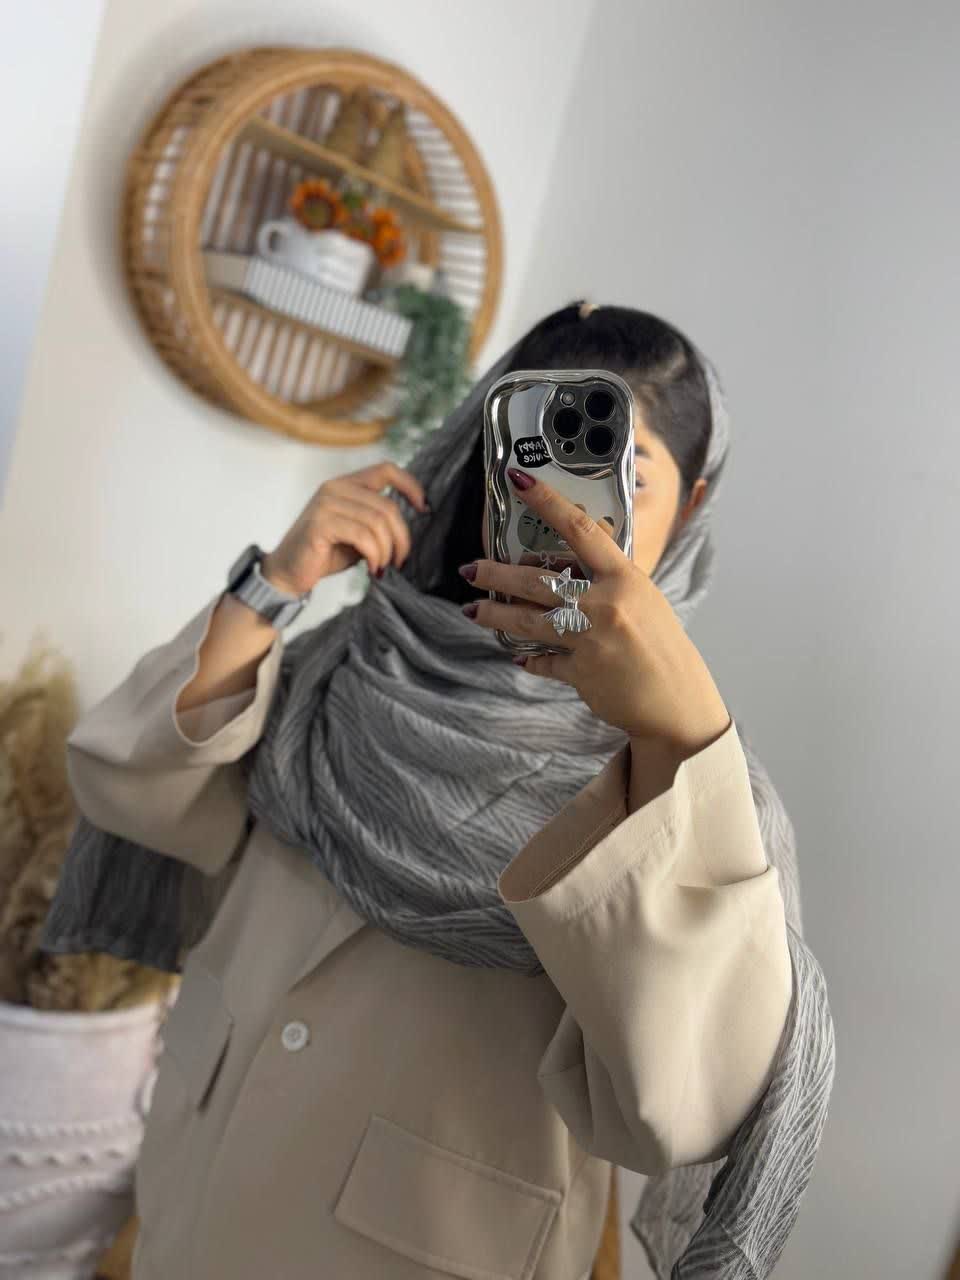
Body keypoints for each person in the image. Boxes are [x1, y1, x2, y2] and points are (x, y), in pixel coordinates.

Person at [41, 302, 834, 1279]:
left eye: (618, 476)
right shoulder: (347, 658)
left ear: (694, 502)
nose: (562, 509)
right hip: (196, 1208)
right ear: (479, 454)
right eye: (527, 458)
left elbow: (679, 1106)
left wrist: (677, 737)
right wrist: (269, 588)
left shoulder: (690, 779)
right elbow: (133, 794)